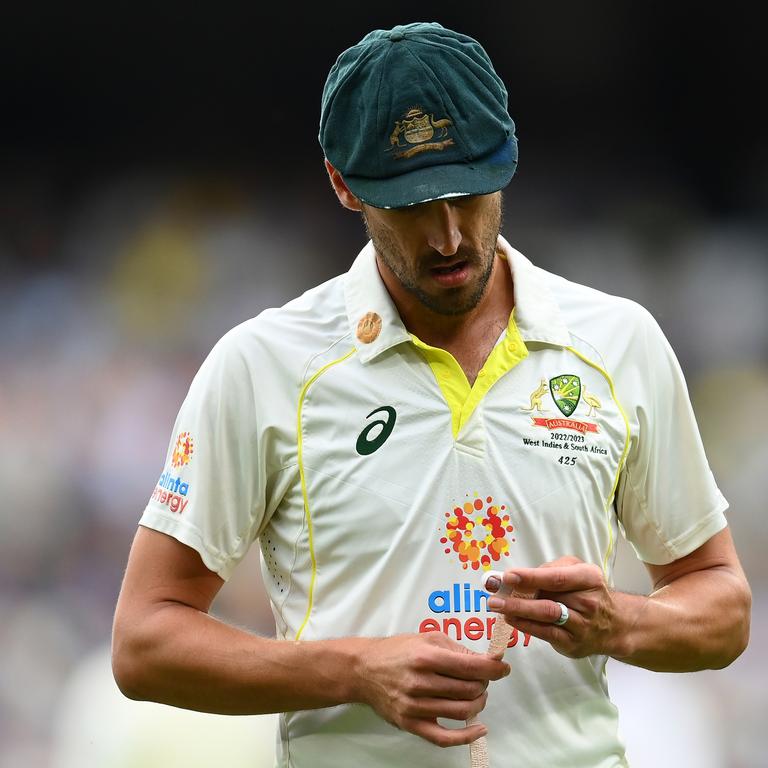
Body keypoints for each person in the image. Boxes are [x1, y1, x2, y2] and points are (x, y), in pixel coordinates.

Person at [112, 22, 751, 768]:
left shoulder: (619, 342)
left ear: (507, 161)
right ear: (343, 184)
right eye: (412, 204)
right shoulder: (263, 366)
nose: (449, 237)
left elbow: (722, 606)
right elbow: (145, 639)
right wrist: (353, 669)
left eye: (469, 194)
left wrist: (622, 624)